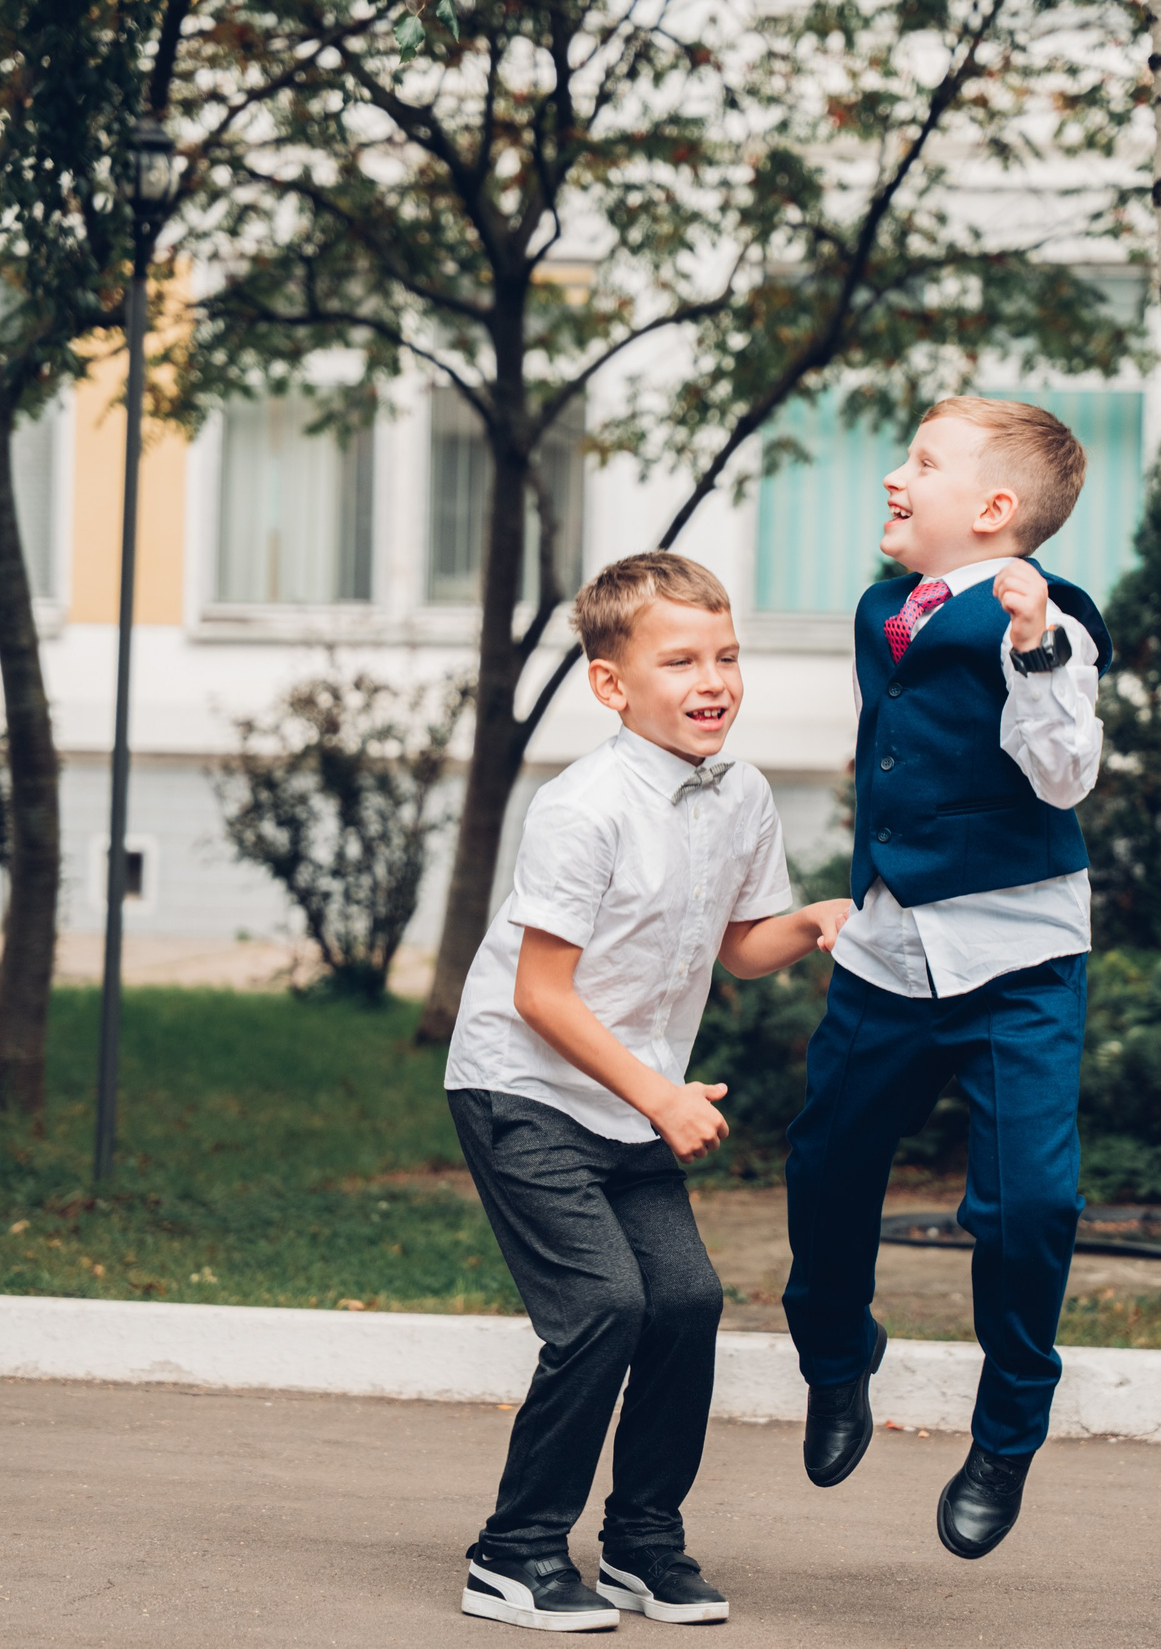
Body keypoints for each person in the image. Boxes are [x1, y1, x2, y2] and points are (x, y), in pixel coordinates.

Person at [445, 551, 855, 1632]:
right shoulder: (583, 808)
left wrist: (815, 919)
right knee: (602, 1309)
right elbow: (540, 993)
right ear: (611, 684)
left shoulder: (742, 791)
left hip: (626, 1095)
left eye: (725, 655)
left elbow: (737, 948)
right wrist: (661, 1093)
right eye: (679, 660)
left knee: (682, 1302)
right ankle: (514, 1550)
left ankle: (641, 1542)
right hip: (523, 1086)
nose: (712, 678)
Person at [783, 396, 1107, 1560]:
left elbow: (1064, 775)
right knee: (825, 1164)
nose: (890, 475)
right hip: (887, 943)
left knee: (1027, 1206)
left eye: (919, 461)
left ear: (993, 511)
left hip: (1016, 956)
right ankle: (836, 1351)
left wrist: (1033, 648)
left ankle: (1006, 1435)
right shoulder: (884, 607)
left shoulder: (1053, 619)